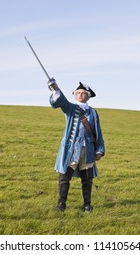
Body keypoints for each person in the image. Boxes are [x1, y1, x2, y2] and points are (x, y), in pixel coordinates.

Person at [48, 78, 105, 212]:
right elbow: (60, 102)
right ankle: (61, 205)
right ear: (75, 94)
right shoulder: (71, 108)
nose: (80, 94)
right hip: (71, 150)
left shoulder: (93, 112)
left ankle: (87, 205)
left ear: (88, 96)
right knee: (64, 178)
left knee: (87, 180)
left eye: (83, 93)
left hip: (88, 151)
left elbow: (98, 132)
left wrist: (100, 150)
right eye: (78, 92)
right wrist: (56, 89)